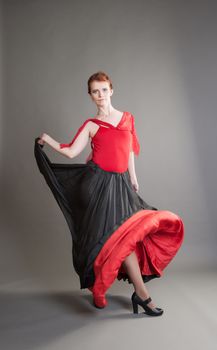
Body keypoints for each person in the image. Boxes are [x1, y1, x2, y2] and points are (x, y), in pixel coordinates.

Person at [34, 71, 184, 317]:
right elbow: (71, 152)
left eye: (104, 90)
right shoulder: (91, 125)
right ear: (90, 96)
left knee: (126, 239)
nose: (100, 95)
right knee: (114, 241)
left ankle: (123, 292)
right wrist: (48, 140)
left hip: (122, 186)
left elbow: (130, 151)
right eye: (95, 91)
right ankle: (136, 294)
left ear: (111, 90)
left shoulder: (127, 118)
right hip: (98, 188)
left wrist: (134, 178)